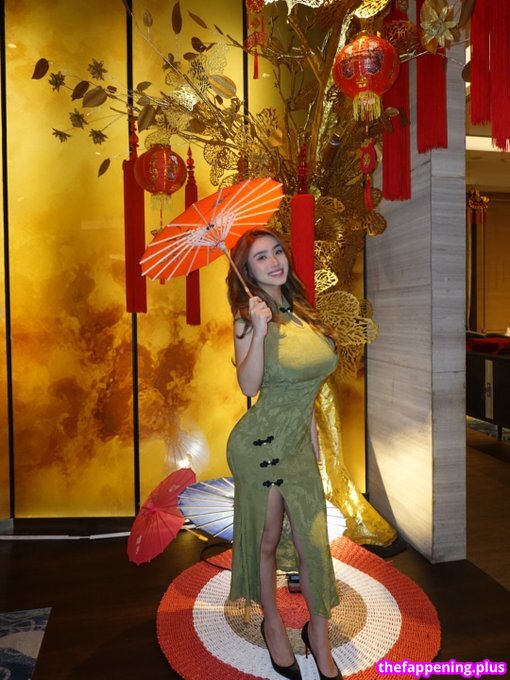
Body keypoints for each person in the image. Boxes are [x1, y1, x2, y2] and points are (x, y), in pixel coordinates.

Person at [226, 227, 342, 680]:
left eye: (277, 251)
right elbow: (249, 386)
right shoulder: (246, 318)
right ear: (247, 270)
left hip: (297, 445)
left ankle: (318, 634)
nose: (274, 261)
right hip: (260, 447)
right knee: (268, 540)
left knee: (314, 543)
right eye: (260, 257)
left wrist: (313, 447)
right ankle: (272, 624)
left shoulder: (303, 312)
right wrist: (257, 331)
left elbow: (306, 391)